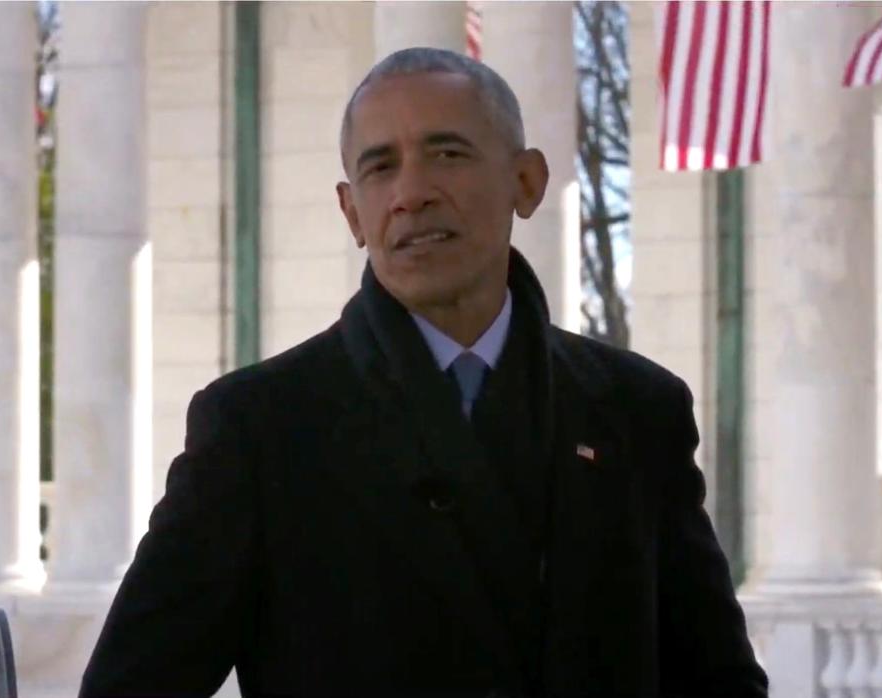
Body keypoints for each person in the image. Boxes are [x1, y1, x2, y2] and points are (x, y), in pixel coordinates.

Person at [80, 47, 768, 698]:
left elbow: (718, 681)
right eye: (380, 167)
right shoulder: (259, 427)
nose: (412, 193)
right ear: (353, 212)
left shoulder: (637, 410)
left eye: (447, 153)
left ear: (526, 182)